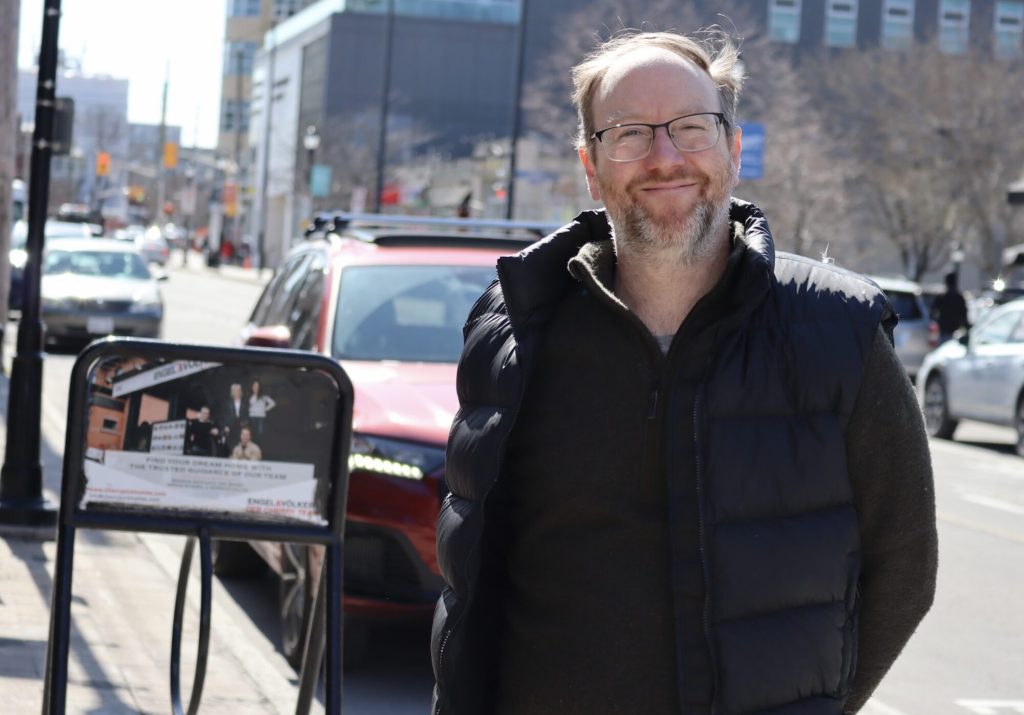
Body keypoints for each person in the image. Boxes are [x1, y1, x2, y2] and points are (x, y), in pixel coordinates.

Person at [431, 30, 938, 715]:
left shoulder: (839, 333)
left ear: (731, 149)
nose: (665, 157)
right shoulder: (516, 329)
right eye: (630, 133)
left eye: (691, 128)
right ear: (592, 165)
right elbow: (471, 578)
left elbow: (903, 565)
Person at [930, 271, 969, 344]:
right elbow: (964, 314)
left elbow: (932, 311)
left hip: (944, 329)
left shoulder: (942, 297)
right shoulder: (959, 298)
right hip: (955, 329)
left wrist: (937, 320)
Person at [219, 383, 249, 454]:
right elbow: (225, 415)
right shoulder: (228, 403)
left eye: (237, 390)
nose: (236, 392)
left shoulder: (245, 403)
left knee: (241, 443)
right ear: (232, 392)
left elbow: (246, 415)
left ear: (240, 391)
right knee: (231, 443)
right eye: (234, 391)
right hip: (231, 425)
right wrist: (226, 426)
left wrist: (245, 424)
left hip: (241, 425)